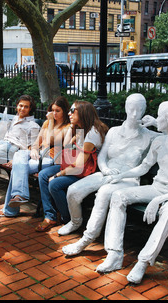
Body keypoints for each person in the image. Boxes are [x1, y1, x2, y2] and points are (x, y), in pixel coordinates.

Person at [97, 101, 168, 284]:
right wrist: (121, 175)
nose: (155, 118)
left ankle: (143, 262)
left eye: (160, 116)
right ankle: (114, 255)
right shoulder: (160, 142)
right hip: (157, 188)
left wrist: (158, 201)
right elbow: (144, 167)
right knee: (118, 195)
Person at [61, 94, 160, 255]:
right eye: (132, 108)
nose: (135, 113)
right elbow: (102, 156)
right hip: (107, 173)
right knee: (73, 190)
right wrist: (105, 169)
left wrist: (157, 124)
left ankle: (87, 238)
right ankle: (75, 221)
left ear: (144, 111)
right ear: (126, 108)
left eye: (140, 109)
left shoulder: (149, 135)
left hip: (128, 179)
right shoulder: (114, 132)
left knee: (105, 192)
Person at [36, 101, 109, 232]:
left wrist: (57, 175)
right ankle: (50, 216)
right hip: (73, 166)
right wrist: (71, 127)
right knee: (42, 175)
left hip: (86, 171)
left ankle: (68, 218)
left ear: (82, 112)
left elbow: (80, 164)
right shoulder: (81, 128)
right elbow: (67, 146)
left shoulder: (93, 133)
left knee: (54, 184)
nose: (69, 113)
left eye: (72, 110)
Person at [0, 96, 71, 217]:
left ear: (64, 112)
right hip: (38, 155)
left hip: (51, 159)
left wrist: (51, 121)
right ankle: (18, 197)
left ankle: (13, 206)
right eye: (52, 110)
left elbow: (52, 140)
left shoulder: (67, 127)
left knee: (17, 167)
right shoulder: (46, 123)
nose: (54, 113)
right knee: (19, 157)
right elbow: (37, 141)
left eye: (58, 111)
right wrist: (34, 149)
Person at [0, 95, 40, 165]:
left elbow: (32, 147)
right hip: (3, 143)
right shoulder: (16, 118)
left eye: (26, 107)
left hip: (14, 148)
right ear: (17, 105)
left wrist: (16, 159)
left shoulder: (33, 126)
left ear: (30, 109)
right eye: (21, 105)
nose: (22, 108)